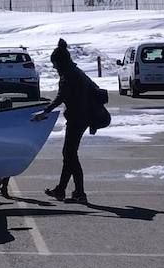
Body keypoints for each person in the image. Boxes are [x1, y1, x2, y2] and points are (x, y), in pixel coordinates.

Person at [32, 39, 109, 205]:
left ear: (60, 62)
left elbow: (61, 97)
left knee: (70, 154)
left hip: (77, 119)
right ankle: (61, 189)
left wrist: (44, 112)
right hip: (82, 118)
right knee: (69, 154)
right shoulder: (76, 72)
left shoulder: (69, 76)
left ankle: (80, 192)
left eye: (54, 64)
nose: (54, 67)